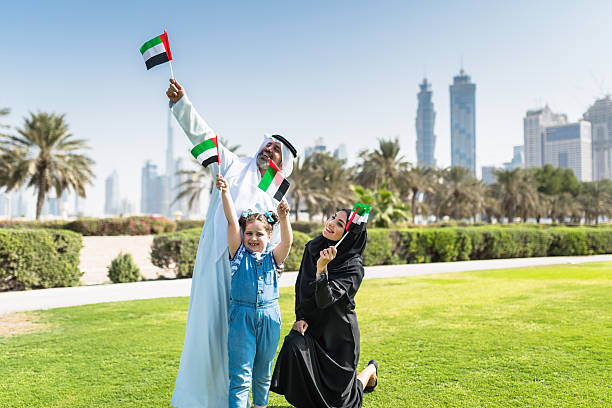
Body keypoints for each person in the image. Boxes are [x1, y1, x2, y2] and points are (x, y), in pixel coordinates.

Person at [166, 79, 298, 408]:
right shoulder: (233, 164)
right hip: (216, 269)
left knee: (244, 352)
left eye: (276, 152)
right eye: (268, 145)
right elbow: (204, 137)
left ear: (283, 165)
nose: (268, 151)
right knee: (209, 336)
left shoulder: (276, 194)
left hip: (251, 288)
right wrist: (183, 104)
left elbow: (278, 247)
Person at [270, 209, 378, 408]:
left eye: (339, 224)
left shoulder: (353, 267)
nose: (330, 223)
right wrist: (300, 317)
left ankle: (370, 370)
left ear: (349, 235)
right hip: (313, 328)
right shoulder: (313, 247)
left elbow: (325, 300)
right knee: (293, 343)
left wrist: (322, 269)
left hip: (339, 339)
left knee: (344, 403)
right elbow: (301, 287)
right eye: (332, 218)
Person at [216, 173, 293, 408]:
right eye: (248, 233)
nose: (253, 238)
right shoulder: (238, 254)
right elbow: (231, 222)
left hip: (270, 318)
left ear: (269, 236)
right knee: (240, 375)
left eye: (259, 234)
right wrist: (225, 192)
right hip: (242, 317)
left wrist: (284, 218)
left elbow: (288, 243)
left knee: (263, 375)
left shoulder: (274, 257)